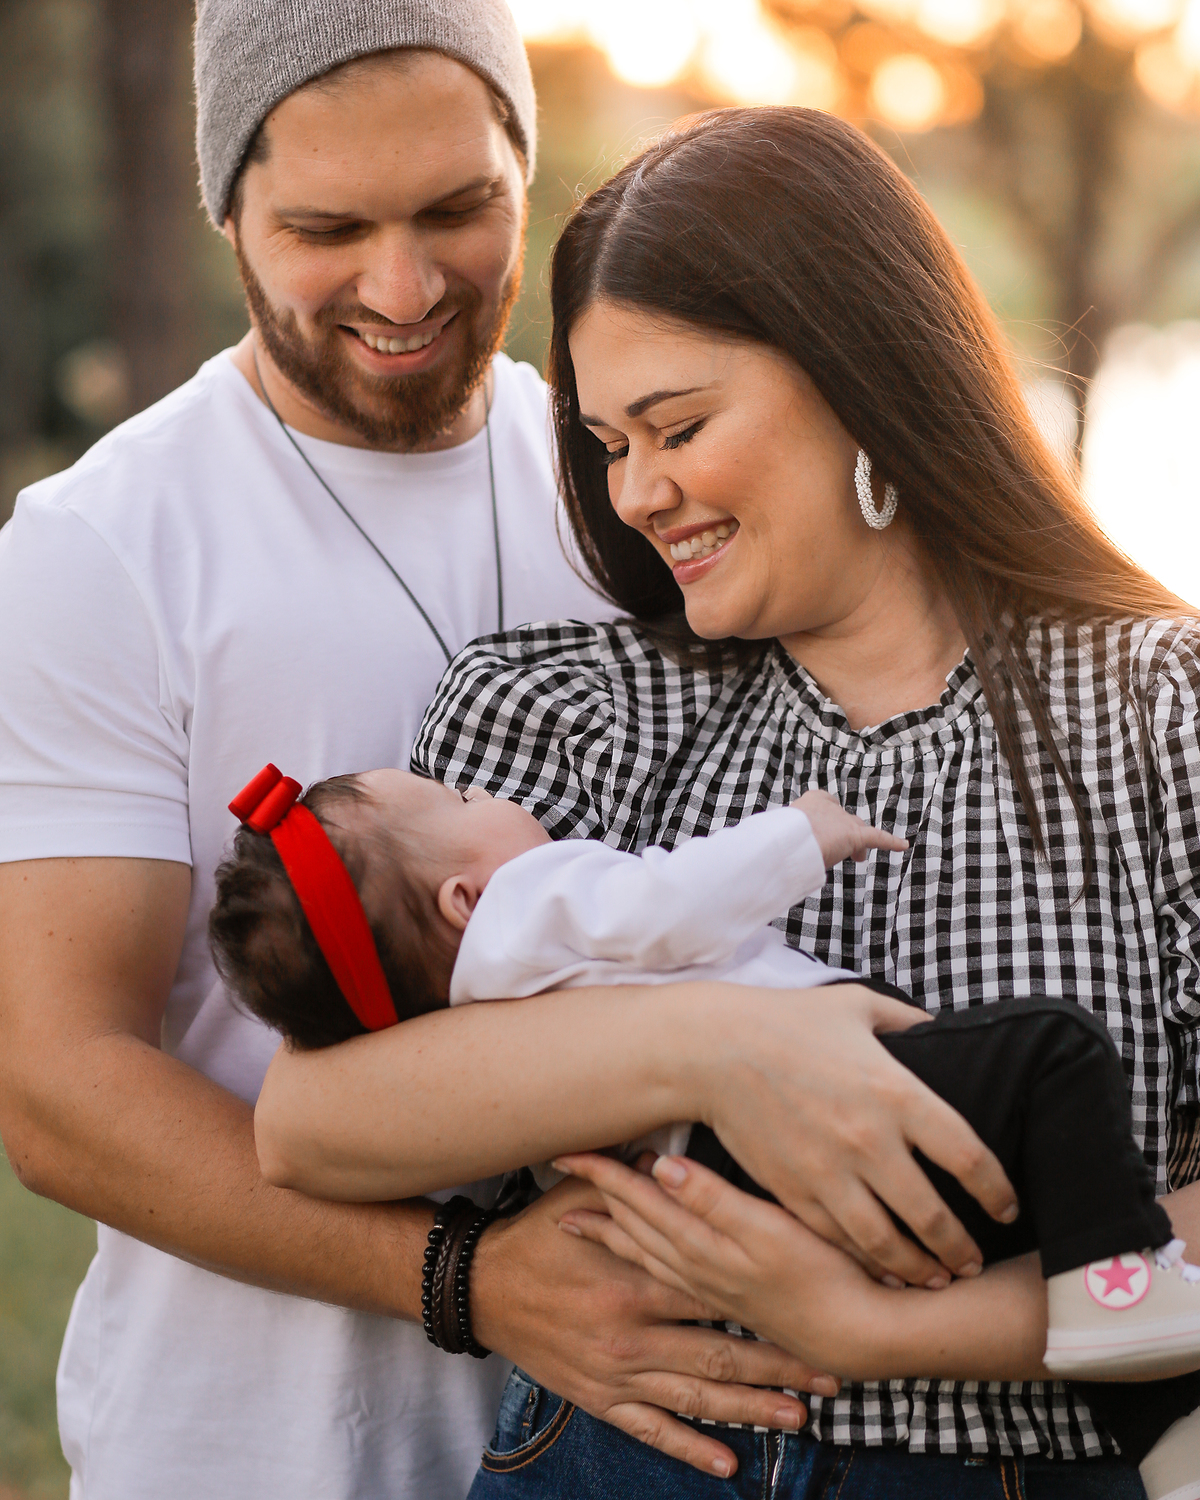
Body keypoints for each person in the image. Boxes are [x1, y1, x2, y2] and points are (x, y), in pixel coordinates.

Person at [251, 107, 1200, 1497]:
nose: (638, 492)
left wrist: (883, 1333)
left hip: (1012, 1463)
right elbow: (319, 1121)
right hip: (619, 1469)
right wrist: (713, 1050)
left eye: (677, 426)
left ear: (862, 376)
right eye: (607, 444)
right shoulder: (563, 716)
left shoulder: (1163, 716)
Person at [0, 10, 851, 1498]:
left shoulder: (640, 481)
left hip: (641, 1454)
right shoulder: (105, 547)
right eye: (327, 229)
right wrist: (467, 1278)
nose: (406, 288)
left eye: (459, 210)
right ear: (227, 213)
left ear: (527, 168)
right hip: (257, 1454)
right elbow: (59, 1089)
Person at [216, 760, 1200, 1477]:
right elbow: (662, 905)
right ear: (464, 898)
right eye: (464, 798)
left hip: (721, 1196)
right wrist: (801, 833)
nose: (492, 795)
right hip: (790, 1126)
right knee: (1052, 1047)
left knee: (1042, 1193)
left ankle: (1164, 1418)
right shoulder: (531, 901)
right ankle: (1125, 1298)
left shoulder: (465, 1011)